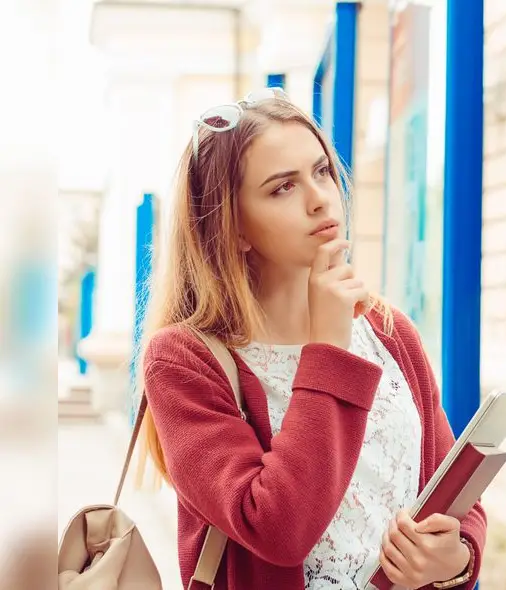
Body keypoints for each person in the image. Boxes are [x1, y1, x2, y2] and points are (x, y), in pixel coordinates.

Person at [138, 88, 486, 590]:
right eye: (282, 187)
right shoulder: (184, 360)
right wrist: (329, 349)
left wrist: (456, 557)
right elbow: (280, 528)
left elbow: (452, 490)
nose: (320, 197)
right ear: (233, 227)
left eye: (321, 171)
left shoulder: (389, 332)